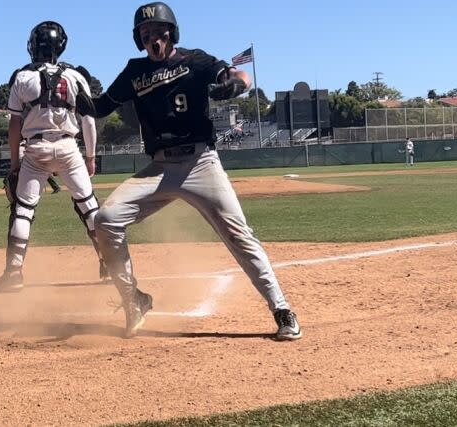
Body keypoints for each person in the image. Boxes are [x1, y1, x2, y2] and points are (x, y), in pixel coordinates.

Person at [79, 2, 301, 340]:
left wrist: (236, 84)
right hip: (160, 168)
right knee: (106, 219)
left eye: (158, 30)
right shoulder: (134, 72)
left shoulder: (194, 60)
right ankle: (134, 300)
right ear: (139, 39)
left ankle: (282, 309)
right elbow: (99, 107)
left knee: (239, 235)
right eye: (145, 32)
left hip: (201, 163)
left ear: (172, 32)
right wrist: (73, 93)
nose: (153, 36)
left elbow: (237, 75)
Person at [0, 20, 109, 292]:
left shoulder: (22, 77)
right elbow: (88, 121)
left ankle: (13, 274)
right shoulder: (76, 77)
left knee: (23, 209)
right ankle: (109, 263)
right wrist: (90, 156)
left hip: (35, 149)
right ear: (61, 46)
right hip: (69, 148)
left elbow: (14, 125)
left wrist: (14, 163)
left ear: (33, 46)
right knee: (88, 205)